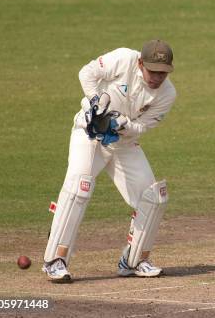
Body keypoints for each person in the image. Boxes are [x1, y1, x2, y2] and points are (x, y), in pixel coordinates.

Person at [42, 39, 177, 282]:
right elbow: (87, 73)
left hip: (123, 143)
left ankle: (133, 261)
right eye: (153, 71)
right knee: (78, 189)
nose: (157, 78)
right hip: (89, 134)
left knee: (154, 197)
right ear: (140, 63)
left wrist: (124, 125)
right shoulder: (123, 58)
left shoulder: (167, 94)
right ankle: (55, 260)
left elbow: (142, 127)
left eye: (163, 73)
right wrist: (96, 101)